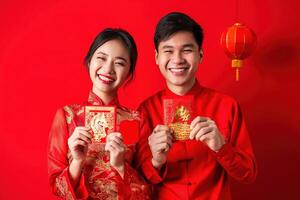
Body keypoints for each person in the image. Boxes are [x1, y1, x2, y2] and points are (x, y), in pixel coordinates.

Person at [136, 12, 257, 199]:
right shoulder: (145, 110)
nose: (177, 59)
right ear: (156, 57)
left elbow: (248, 174)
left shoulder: (227, 106)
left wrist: (221, 147)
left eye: (187, 50)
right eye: (168, 51)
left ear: (200, 55)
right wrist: (156, 161)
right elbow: (136, 181)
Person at [48, 28, 150, 200]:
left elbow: (146, 192)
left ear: (129, 73)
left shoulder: (134, 120)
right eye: (101, 58)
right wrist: (77, 161)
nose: (108, 68)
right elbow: (57, 188)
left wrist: (120, 166)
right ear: (89, 61)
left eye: (119, 63)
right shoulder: (67, 116)